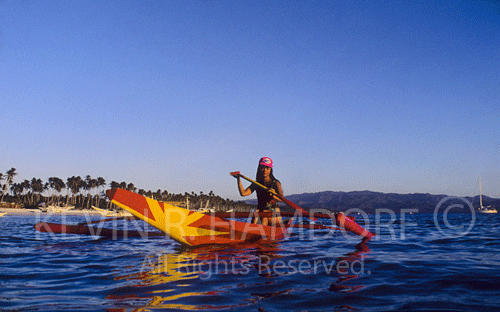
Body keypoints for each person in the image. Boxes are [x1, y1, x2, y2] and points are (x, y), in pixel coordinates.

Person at [235, 157, 283, 226]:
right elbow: (243, 193)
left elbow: (282, 199)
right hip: (261, 213)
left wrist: (274, 195)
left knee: (264, 216)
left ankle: (261, 232)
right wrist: (238, 179)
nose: (265, 170)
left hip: (274, 214)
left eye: (267, 168)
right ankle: (253, 232)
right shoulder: (256, 184)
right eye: (262, 168)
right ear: (259, 168)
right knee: (256, 214)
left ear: (270, 170)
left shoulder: (276, 183)